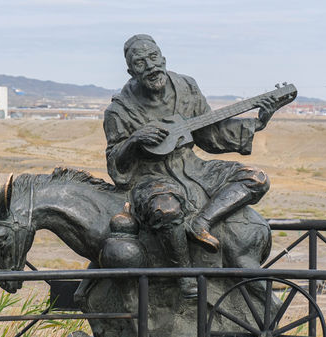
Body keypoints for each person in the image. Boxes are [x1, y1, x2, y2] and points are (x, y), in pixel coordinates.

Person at [104, 34, 282, 297]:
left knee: (256, 178)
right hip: (152, 177)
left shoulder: (187, 87)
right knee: (165, 208)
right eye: (141, 62)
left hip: (195, 168)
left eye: (154, 58)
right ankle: (184, 276)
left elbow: (209, 133)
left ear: (163, 59)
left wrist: (258, 122)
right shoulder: (120, 110)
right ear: (131, 71)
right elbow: (115, 162)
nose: (151, 66)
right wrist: (133, 141)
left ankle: (201, 222)